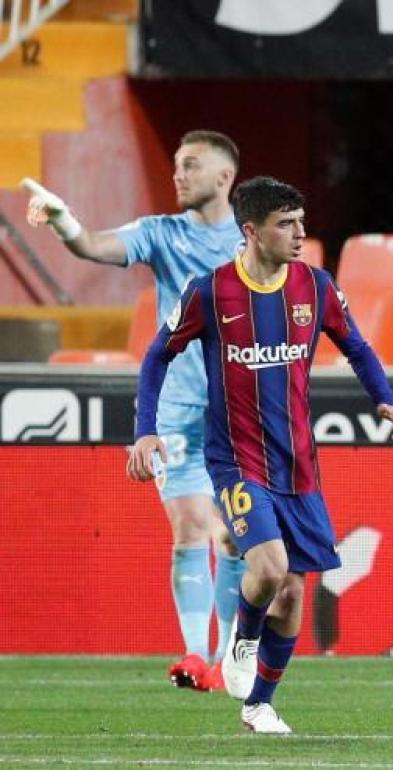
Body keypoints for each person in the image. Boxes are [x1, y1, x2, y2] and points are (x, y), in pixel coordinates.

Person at [126, 176, 393, 733]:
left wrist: (388, 403)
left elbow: (357, 345)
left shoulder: (317, 286)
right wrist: (145, 430)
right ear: (251, 231)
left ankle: (259, 703)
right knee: (272, 567)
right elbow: (158, 355)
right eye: (287, 223)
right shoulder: (210, 292)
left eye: (302, 221)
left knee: (292, 594)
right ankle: (242, 639)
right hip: (234, 459)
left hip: (299, 465)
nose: (301, 233)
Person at [24, 131, 247, 691]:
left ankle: (228, 658)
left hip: (238, 413)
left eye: (191, 166)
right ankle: (197, 656)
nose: (179, 175)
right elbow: (93, 245)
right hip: (174, 407)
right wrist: (62, 220)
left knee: (234, 536)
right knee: (189, 528)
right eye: (176, 164)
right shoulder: (161, 234)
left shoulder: (251, 243)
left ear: (224, 178)